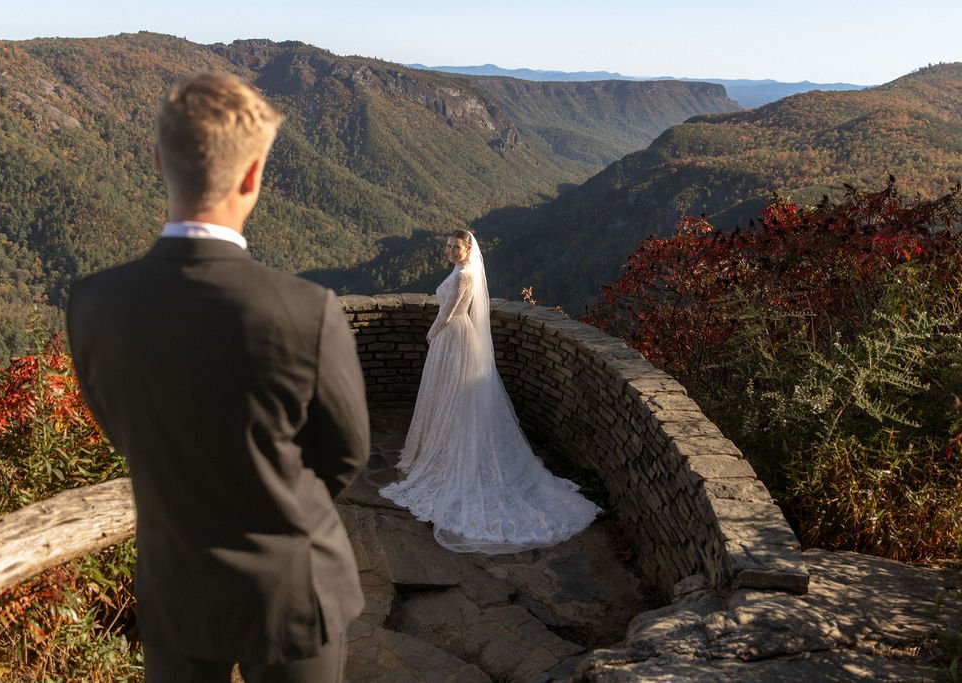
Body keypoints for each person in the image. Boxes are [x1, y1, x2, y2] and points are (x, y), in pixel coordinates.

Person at [67, 73, 369, 682]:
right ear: (254, 174)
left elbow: (121, 428)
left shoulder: (94, 303)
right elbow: (345, 455)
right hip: (292, 591)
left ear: (158, 161)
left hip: (176, 586)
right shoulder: (307, 310)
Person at [379, 229, 600, 554]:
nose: (451, 251)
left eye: (457, 247)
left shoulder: (463, 276)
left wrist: (431, 333)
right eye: (449, 247)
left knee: (453, 398)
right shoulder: (463, 271)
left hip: (452, 338)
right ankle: (443, 448)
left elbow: (449, 312)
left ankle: (448, 453)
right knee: (452, 398)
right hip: (457, 337)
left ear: (468, 249)